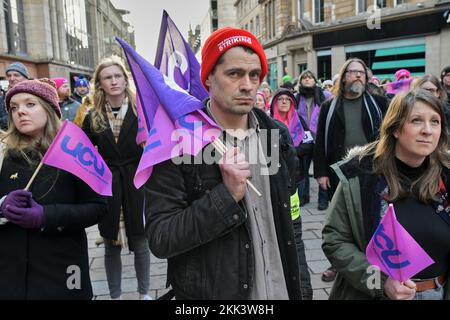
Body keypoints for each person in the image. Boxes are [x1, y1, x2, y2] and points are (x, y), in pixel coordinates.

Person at [145, 27, 302, 300]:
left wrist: (303, 288)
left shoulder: (277, 135)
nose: (247, 85)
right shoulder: (178, 143)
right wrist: (226, 197)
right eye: (234, 74)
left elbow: (293, 220)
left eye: (255, 75)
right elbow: (161, 238)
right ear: (208, 78)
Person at [322, 90, 450, 300]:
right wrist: (380, 282)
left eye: (435, 122)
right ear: (396, 128)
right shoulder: (361, 176)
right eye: (416, 120)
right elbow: (335, 240)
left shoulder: (447, 175)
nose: (427, 130)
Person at [0, 78, 107, 299]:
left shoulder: (76, 150)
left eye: (30, 104)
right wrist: (2, 205)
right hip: (12, 277)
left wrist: (46, 217)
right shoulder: (4, 154)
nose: (20, 112)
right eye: (14, 107)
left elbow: (98, 207)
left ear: (49, 109)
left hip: (64, 273)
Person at [82, 57, 151, 300]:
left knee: (141, 241)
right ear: (100, 84)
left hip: (136, 182)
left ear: (125, 79)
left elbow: (156, 143)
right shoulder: (93, 117)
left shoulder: (140, 110)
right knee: (111, 242)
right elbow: (83, 151)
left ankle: (144, 293)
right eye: (107, 77)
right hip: (108, 185)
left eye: (117, 76)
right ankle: (115, 295)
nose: (113, 81)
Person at [314, 58, 388, 282]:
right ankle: (338, 265)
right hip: (340, 172)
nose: (357, 76)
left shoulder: (378, 102)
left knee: (373, 216)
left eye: (361, 73)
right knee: (341, 221)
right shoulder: (329, 106)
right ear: (344, 76)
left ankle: (376, 263)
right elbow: (320, 140)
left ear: (366, 78)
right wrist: (321, 172)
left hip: (373, 171)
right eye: (352, 72)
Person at [270, 88, 313, 299]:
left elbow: (309, 142)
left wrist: (292, 150)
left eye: (288, 99)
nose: (284, 102)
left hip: (294, 184)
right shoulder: (267, 125)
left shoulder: (299, 121)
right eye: (281, 100)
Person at [295, 70, 332, 210]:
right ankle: (304, 197)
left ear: (315, 81)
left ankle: (323, 199)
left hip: (320, 137)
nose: (307, 79)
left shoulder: (325, 95)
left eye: (310, 77)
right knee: (303, 169)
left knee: (322, 169)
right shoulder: (296, 98)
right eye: (304, 77)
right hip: (304, 140)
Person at [1, 62, 31, 130]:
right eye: (9, 75)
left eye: (16, 75)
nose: (12, 78)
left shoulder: (36, 94)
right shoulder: (4, 97)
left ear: (26, 78)